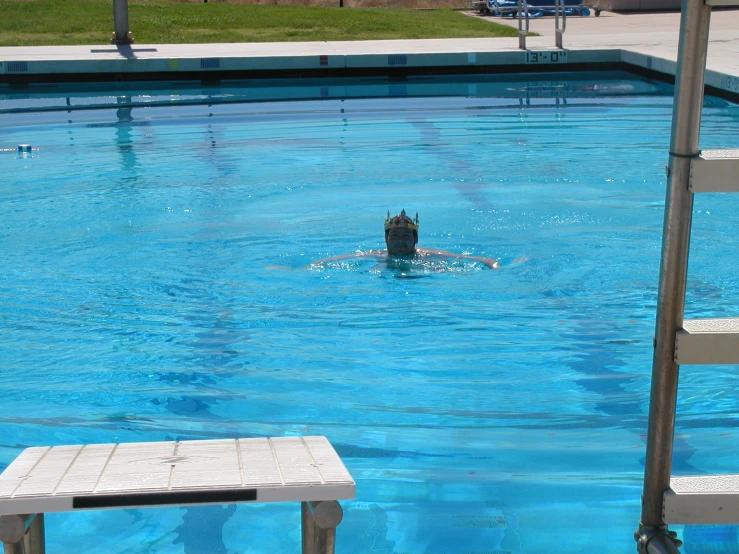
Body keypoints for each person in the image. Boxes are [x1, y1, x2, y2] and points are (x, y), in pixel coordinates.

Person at [305, 209, 500, 269]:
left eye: (406, 236)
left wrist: (493, 264)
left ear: (415, 240)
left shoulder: (428, 255)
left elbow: (468, 259)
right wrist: (307, 267)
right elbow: (337, 260)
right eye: (395, 235)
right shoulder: (377, 256)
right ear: (386, 239)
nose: (400, 240)